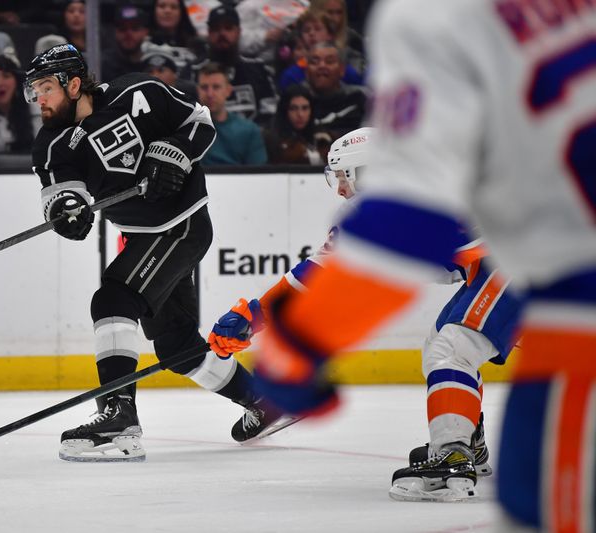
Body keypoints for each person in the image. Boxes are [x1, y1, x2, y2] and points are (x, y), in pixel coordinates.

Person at [250, 1, 596, 530]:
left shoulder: (428, 19)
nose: (341, 188)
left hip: (564, 247)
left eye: (345, 176)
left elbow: (406, 229)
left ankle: (454, 454)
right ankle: (468, 437)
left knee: (454, 343)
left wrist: (301, 341)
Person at [24, 44, 284, 462]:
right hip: (143, 236)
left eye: (46, 87)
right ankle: (264, 402)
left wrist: (176, 155)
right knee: (176, 346)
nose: (39, 98)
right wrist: (66, 212)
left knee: (113, 298)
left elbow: (199, 123)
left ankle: (118, 415)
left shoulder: (139, 93)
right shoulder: (52, 145)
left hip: (183, 225)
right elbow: (60, 191)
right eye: (34, 90)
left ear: (74, 84)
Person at [191, 4, 278, 125]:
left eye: (228, 28)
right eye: (216, 29)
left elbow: (270, 113)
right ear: (209, 33)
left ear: (238, 32)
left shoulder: (258, 69)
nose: (222, 34)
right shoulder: (193, 70)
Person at [197, 62, 267, 166]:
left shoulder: (249, 131)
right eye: (204, 87)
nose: (210, 94)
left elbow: (258, 175)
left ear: (228, 91)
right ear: (197, 90)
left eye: (216, 87)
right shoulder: (185, 129)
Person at [304, 40, 367, 143]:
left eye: (329, 61)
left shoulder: (358, 98)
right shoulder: (296, 100)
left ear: (342, 70)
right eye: (315, 62)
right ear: (306, 71)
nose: (321, 66)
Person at [263, 84, 322, 165]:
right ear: (284, 110)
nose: (300, 114)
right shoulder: (270, 139)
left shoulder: (322, 137)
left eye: (305, 108)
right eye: (293, 108)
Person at [100, 4, 150, 82]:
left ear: (145, 32)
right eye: (122, 28)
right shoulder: (103, 64)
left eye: (135, 28)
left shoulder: (152, 63)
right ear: (115, 32)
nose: (128, 34)